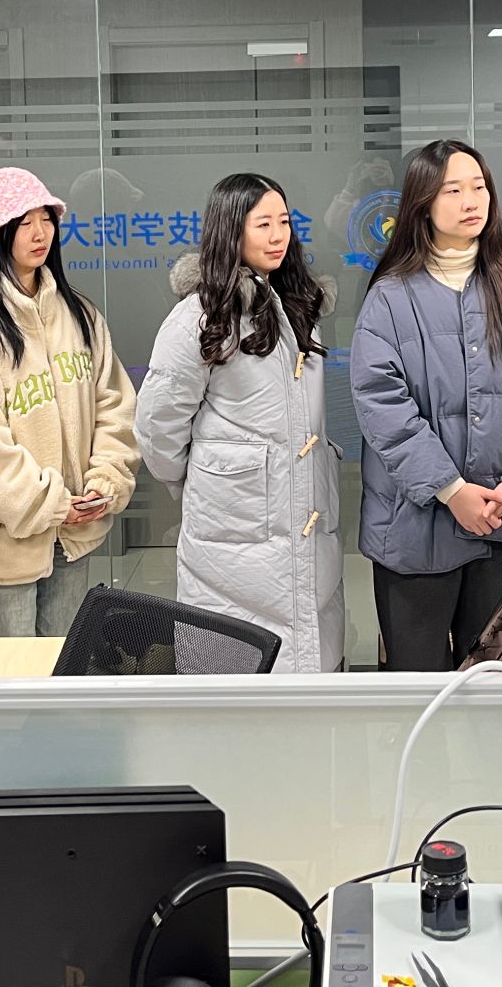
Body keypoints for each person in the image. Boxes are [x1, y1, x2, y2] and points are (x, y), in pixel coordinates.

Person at [352, 140, 502, 671]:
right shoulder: (390, 296)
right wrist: (451, 491)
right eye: (453, 190)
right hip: (412, 528)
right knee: (418, 683)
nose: (471, 200)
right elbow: (382, 404)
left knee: (492, 681)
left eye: (479, 187)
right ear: (422, 203)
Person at [137, 173, 344, 673]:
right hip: (232, 525)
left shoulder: (299, 308)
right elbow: (157, 427)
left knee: (305, 657)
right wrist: (205, 477)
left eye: (284, 222)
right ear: (231, 231)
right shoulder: (198, 317)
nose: (277, 236)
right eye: (262, 224)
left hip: (303, 512)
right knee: (235, 674)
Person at [0, 168, 139, 638]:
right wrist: (49, 503)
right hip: (5, 541)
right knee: (7, 672)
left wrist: (105, 480)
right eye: (24, 222)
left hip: (76, 530)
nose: (40, 232)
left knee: (65, 663)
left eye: (46, 218)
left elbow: (114, 405)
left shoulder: (79, 313)